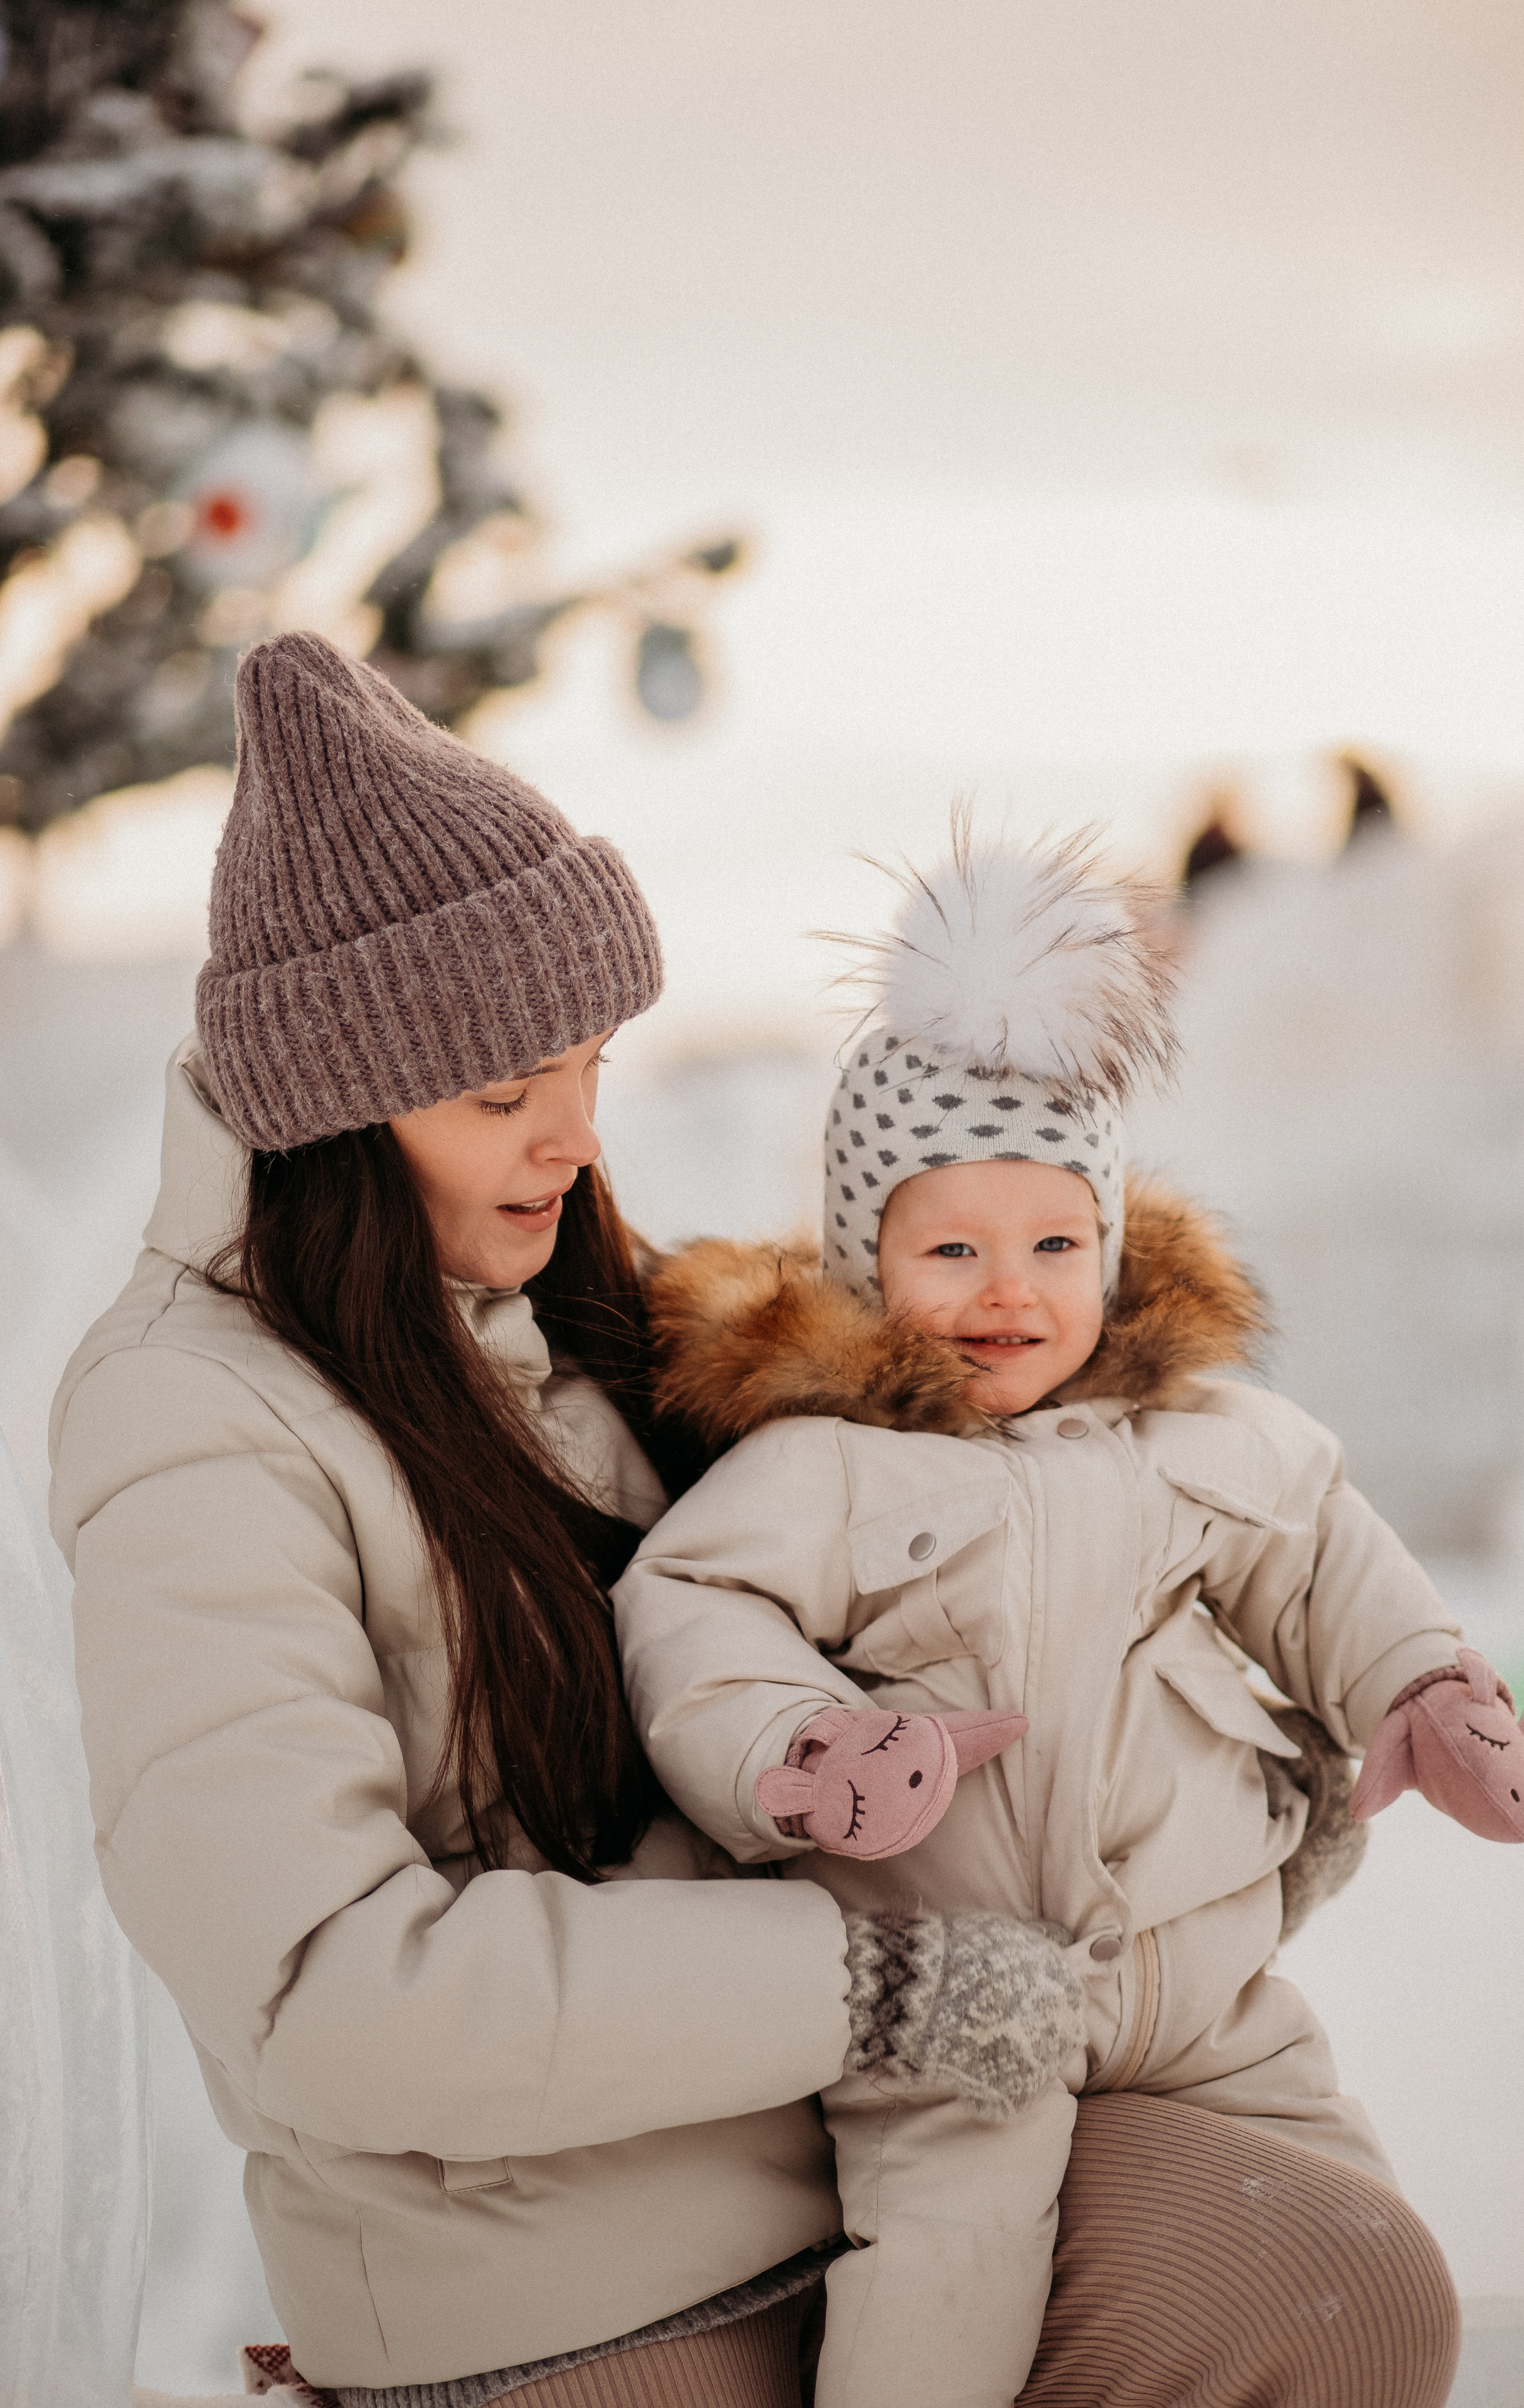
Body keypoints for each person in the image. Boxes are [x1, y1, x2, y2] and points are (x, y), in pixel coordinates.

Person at [49, 635, 1079, 2408]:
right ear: (332, 1112)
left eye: (591, 1064)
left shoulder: (572, 1320)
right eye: (501, 1096)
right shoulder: (190, 1419)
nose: (576, 1141)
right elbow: (329, 1997)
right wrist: (877, 1982)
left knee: (1313, 2273)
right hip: (551, 2291)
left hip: (851, 2175)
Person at [615, 820, 1524, 2408]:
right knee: (937, 2295)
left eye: (1055, 1243)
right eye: (952, 1248)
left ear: (1109, 1249)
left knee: (1360, 2260)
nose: (1009, 1289)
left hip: (1203, 1995)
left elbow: (1321, 1554)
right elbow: (695, 1614)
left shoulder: (1197, 1438)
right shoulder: (826, 1462)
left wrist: (1414, 1689)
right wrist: (801, 1746)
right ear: (866, 1256)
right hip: (955, 2006)